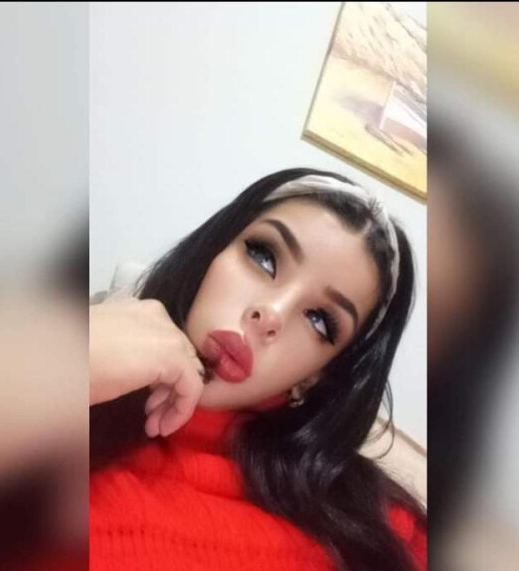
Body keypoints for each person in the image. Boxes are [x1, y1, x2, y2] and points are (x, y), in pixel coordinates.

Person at [89, 168, 426, 571]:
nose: (272, 314)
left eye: (320, 320)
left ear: (316, 375)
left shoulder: (378, 526)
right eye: (263, 256)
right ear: (213, 252)